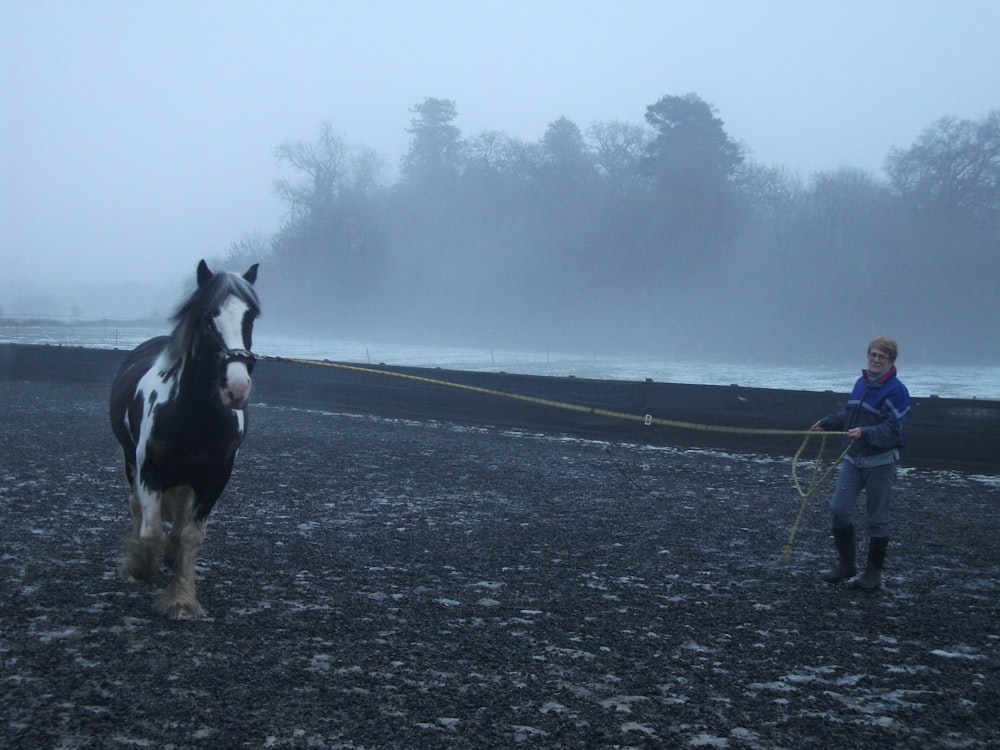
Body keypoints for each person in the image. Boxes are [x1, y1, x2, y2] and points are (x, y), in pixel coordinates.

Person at [811, 336, 911, 590]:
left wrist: (866, 432)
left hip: (881, 462)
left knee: (877, 518)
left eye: (882, 357)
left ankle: (873, 575)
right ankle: (846, 565)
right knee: (839, 509)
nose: (876, 360)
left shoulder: (897, 391)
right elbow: (850, 414)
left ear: (891, 361)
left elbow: (893, 429)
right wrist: (829, 422)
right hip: (853, 458)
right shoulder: (861, 383)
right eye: (873, 355)